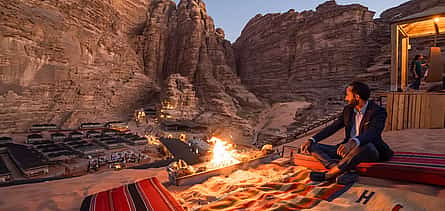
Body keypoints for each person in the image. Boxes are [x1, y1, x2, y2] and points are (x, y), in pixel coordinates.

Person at [299, 81, 393, 182]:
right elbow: (333, 127)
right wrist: (312, 139)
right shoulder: (348, 110)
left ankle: (329, 175)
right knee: (312, 146)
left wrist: (352, 143)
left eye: (348, 95)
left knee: (366, 146)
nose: (346, 99)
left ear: (357, 97)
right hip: (347, 151)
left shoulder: (378, 111)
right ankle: (339, 170)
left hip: (370, 151)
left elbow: (372, 133)